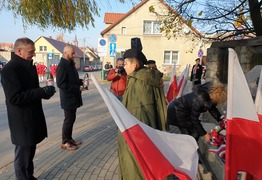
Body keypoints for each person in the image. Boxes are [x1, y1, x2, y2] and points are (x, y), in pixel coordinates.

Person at [1, 37, 56, 180]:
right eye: (31, 51)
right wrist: (40, 92)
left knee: (30, 151)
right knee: (23, 154)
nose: (34, 54)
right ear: (19, 51)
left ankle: (29, 176)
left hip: (32, 117)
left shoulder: (27, 65)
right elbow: (15, 98)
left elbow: (32, 91)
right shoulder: (10, 70)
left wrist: (45, 93)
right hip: (22, 121)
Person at [118, 49, 168, 179]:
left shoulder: (139, 82)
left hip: (137, 138)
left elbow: (138, 115)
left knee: (137, 168)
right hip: (144, 133)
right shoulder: (143, 77)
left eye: (125, 64)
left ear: (134, 65)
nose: (124, 66)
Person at [56, 45, 84, 151]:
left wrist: (81, 81)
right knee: (68, 120)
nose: (74, 54)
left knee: (72, 119)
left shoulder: (70, 64)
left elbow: (72, 79)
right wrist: (77, 88)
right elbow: (61, 84)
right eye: (72, 53)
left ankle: (69, 139)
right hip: (68, 98)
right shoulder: (62, 65)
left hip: (73, 97)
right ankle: (65, 142)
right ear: (65, 53)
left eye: (73, 53)